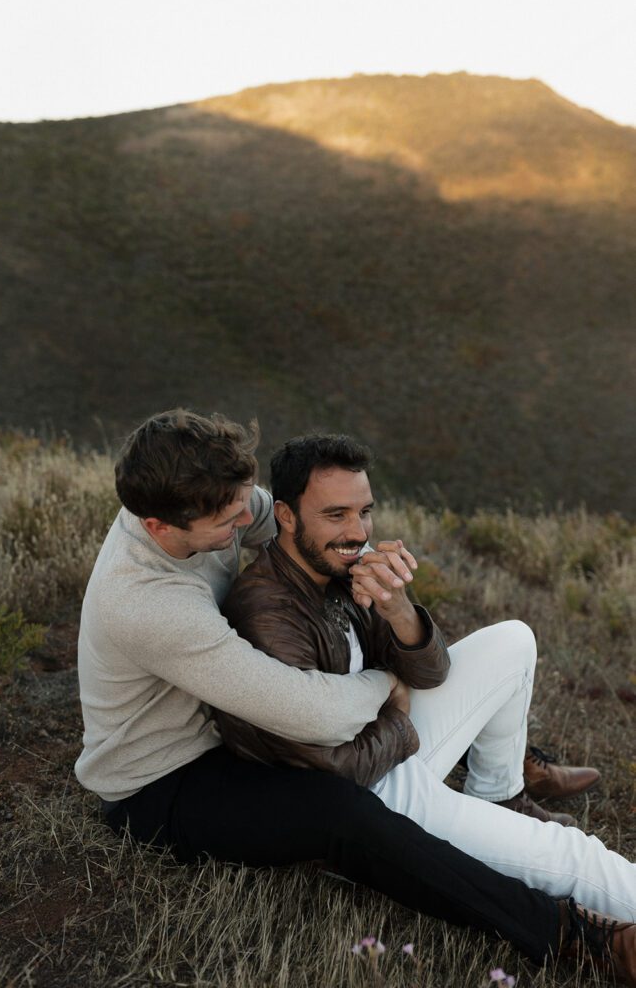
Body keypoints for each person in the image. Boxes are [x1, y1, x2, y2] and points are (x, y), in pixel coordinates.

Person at [75, 408, 636, 984]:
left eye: (247, 501)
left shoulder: (213, 500)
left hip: (250, 721)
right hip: (169, 777)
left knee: (509, 643)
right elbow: (313, 714)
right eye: (228, 517)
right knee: (341, 814)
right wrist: (386, 688)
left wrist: (383, 591)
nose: (248, 517)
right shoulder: (148, 604)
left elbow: (301, 526)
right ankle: (573, 937)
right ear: (158, 526)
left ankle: (500, 788)